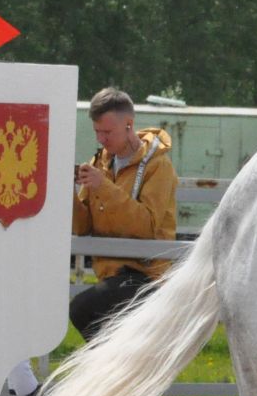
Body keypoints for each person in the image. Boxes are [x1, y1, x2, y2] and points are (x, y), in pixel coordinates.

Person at [68, 87, 178, 341]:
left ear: (129, 125)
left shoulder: (158, 166)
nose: (101, 140)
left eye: (107, 132)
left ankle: (110, 373)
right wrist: (69, 194)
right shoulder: (100, 163)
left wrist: (103, 187)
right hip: (113, 277)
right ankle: (117, 374)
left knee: (83, 309)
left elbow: (147, 226)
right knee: (88, 314)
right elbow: (83, 228)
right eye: (97, 132)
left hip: (147, 276)